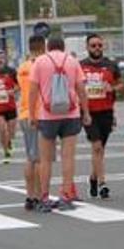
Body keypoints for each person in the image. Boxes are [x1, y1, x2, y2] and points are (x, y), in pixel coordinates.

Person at [29, 35, 89, 209]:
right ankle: (66, 195)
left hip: (47, 115)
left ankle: (45, 197)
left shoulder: (40, 62)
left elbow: (33, 90)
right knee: (68, 157)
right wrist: (86, 112)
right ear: (63, 47)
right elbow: (81, 89)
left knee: (45, 159)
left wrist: (33, 115)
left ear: (48, 47)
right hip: (71, 113)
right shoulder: (72, 61)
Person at [80, 34, 122, 199]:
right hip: (88, 112)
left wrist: (112, 88)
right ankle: (103, 183)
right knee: (96, 146)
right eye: (93, 46)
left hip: (106, 111)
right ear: (88, 48)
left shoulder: (110, 65)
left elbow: (121, 84)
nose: (97, 48)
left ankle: (93, 177)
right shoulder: (81, 66)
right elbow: (74, 86)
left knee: (100, 149)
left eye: (99, 45)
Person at [17, 34, 49, 211]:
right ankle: (38, 195)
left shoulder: (22, 67)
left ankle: (29, 196)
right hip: (38, 114)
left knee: (30, 157)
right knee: (39, 158)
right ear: (43, 47)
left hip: (23, 113)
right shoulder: (41, 66)